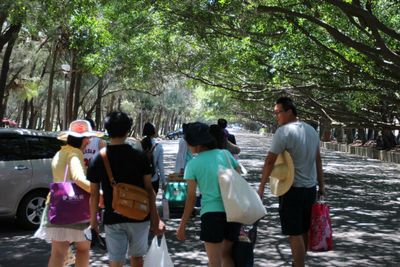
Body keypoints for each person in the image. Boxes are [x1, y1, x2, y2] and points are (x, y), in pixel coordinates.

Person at [87, 112, 165, 267]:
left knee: (115, 261)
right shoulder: (140, 156)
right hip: (140, 216)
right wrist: (156, 219)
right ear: (128, 130)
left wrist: (93, 223)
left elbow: (94, 194)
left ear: (107, 130)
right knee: (137, 258)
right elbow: (150, 190)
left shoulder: (98, 159)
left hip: (113, 217)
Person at [257, 97, 325, 267]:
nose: (277, 116)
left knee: (294, 233)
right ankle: (299, 262)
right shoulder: (311, 130)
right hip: (310, 189)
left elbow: (269, 161)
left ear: (289, 111)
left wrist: (261, 187)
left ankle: (299, 264)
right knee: (303, 229)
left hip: (291, 189)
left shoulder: (283, 132)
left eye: (279, 112)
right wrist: (322, 186)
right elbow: (318, 160)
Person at [34, 119, 103, 267]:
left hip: (56, 206)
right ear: (84, 139)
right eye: (88, 138)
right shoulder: (75, 154)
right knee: (83, 250)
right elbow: (78, 178)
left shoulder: (60, 152)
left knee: (58, 253)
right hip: (77, 207)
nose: (89, 141)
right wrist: (98, 192)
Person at [176, 122, 241, 267]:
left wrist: (182, 224)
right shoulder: (225, 154)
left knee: (214, 261)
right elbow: (239, 178)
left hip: (211, 214)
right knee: (226, 255)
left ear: (196, 144)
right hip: (233, 212)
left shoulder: (192, 165)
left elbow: (191, 198)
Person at [141, 122, 166, 194]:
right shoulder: (158, 146)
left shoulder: (138, 144)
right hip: (154, 179)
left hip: (141, 180)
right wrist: (164, 182)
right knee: (152, 203)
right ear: (154, 132)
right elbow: (160, 166)